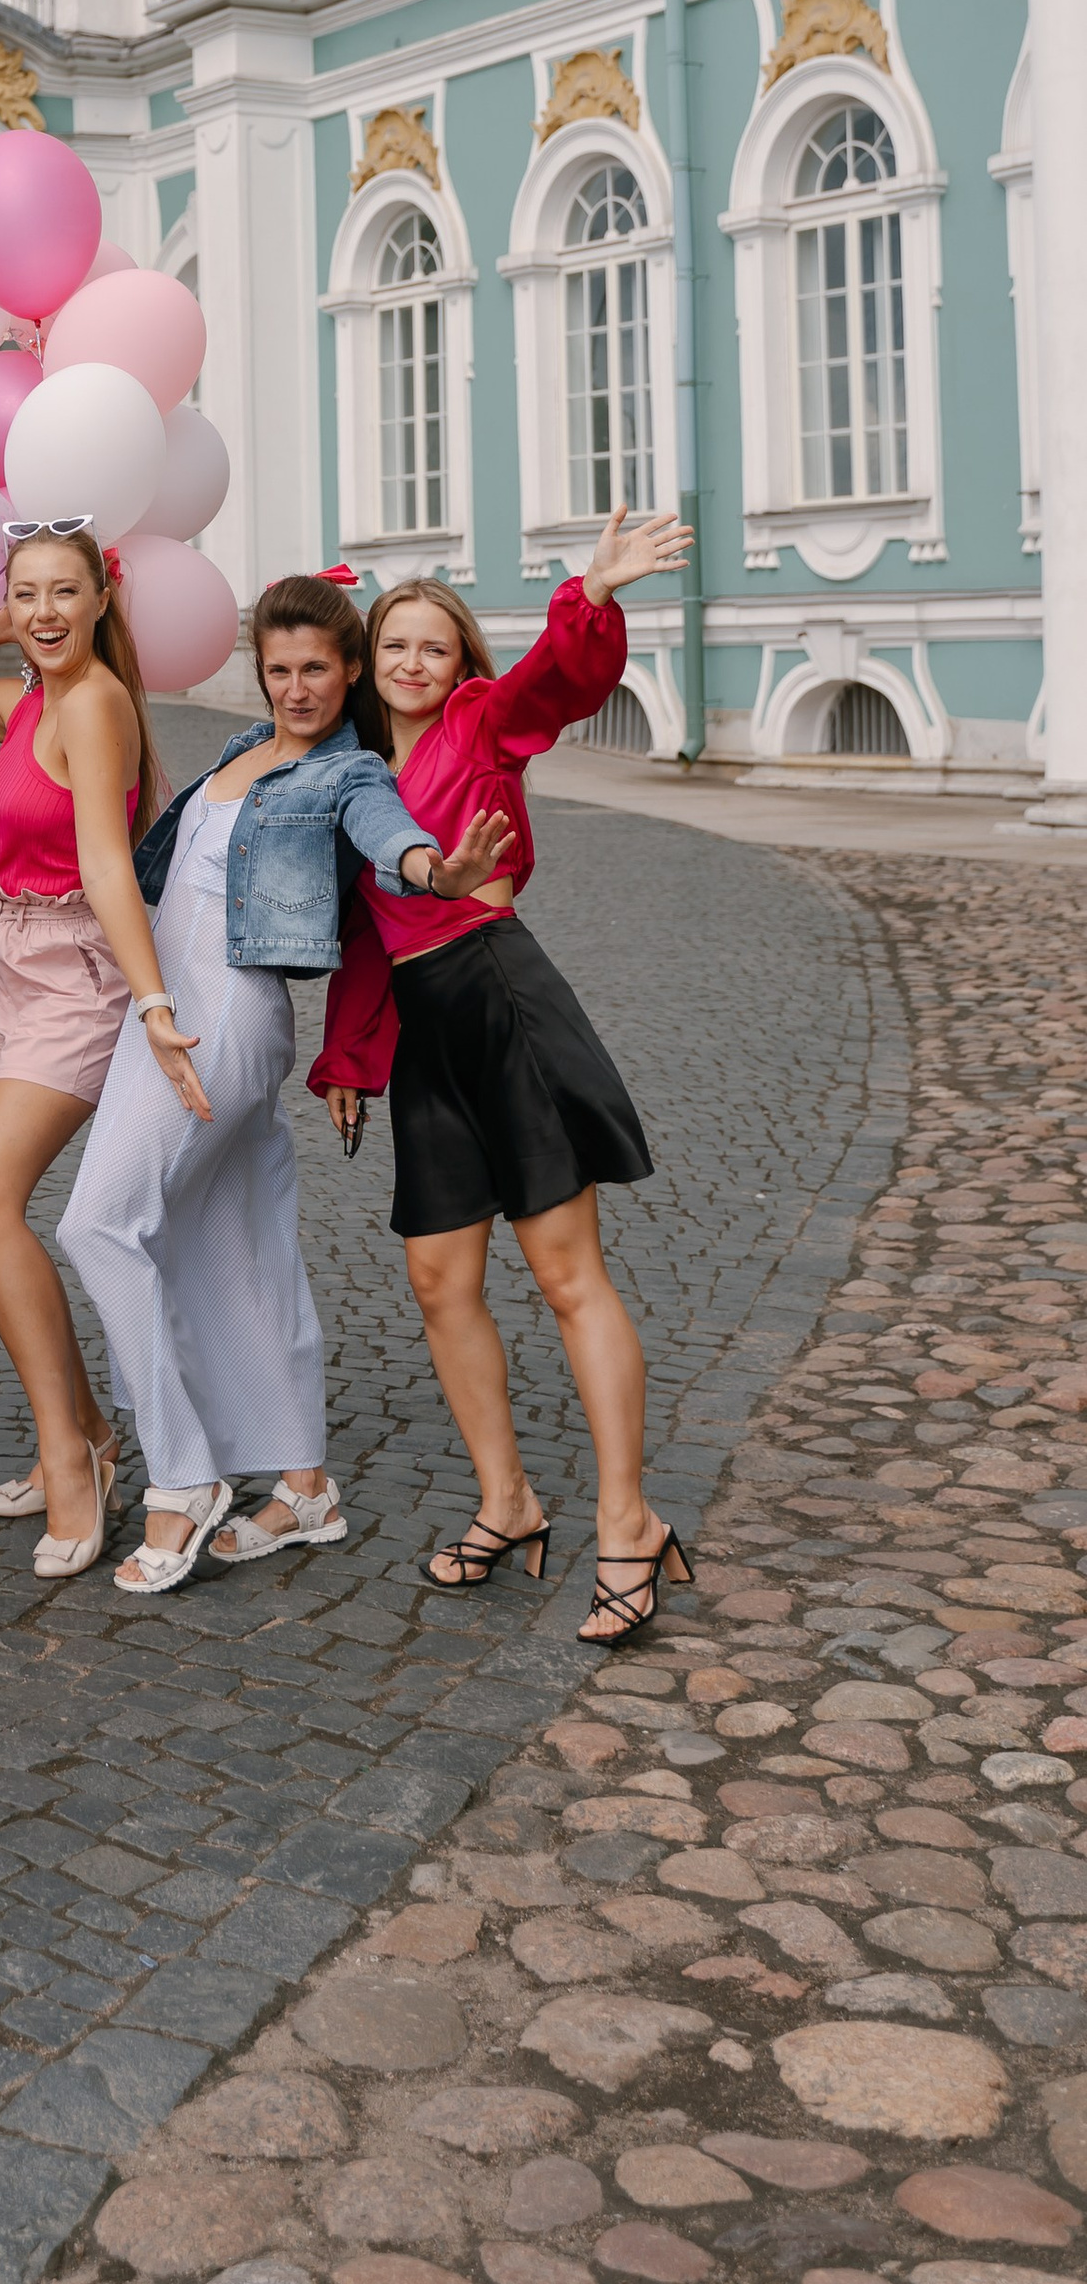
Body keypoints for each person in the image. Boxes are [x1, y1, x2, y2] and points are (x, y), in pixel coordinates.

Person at [60, 574, 512, 1600]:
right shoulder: (238, 752)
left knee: (97, 1226)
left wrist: (438, 871)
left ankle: (181, 1479)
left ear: (348, 670)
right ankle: (304, 1482)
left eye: (316, 669)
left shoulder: (347, 771)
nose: (296, 687)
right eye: (278, 669)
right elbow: (146, 874)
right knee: (230, 1236)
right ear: (256, 671)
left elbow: (391, 843)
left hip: (220, 1016)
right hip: (160, 1009)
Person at [314, 505, 698, 1643]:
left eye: (434, 645)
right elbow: (358, 933)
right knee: (438, 1280)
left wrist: (596, 595)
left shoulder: (484, 721)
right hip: (428, 1033)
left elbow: (553, 684)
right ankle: (508, 1501)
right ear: (367, 665)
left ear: (459, 662)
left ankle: (627, 1519)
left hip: (502, 1002)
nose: (414, 663)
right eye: (394, 647)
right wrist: (346, 1056)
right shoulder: (356, 774)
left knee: (566, 1274)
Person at [0, 521, 177, 1579]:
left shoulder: (95, 706)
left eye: (62, 595)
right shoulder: (28, 692)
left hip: (72, 974)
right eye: (24, 595)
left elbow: (110, 869)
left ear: (100, 601)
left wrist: (155, 1003)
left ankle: (71, 1458)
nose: (41, 614)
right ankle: (93, 1435)